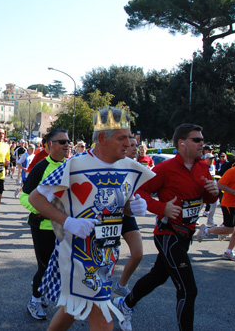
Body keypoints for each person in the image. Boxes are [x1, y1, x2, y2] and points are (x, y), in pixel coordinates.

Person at [29, 107, 153, 331]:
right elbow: (36, 198)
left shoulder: (129, 167)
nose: (129, 143)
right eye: (122, 137)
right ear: (103, 138)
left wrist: (131, 208)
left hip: (107, 255)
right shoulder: (74, 165)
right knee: (102, 317)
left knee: (71, 309)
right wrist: (68, 222)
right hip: (77, 256)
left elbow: (116, 207)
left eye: (130, 137)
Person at [115, 123, 219, 331]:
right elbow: (140, 191)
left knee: (158, 276)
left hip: (186, 234)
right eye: (197, 140)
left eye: (202, 139)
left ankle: (125, 304)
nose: (202, 144)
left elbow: (207, 197)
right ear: (182, 143)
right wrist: (162, 208)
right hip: (168, 234)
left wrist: (214, 192)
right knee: (188, 289)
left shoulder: (202, 168)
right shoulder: (165, 169)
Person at [19, 129, 69, 320]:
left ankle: (46, 293)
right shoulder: (40, 168)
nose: (67, 145)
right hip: (43, 226)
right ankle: (34, 300)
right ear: (49, 145)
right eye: (62, 141)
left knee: (62, 264)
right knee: (45, 266)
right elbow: (24, 197)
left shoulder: (70, 167)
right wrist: (41, 210)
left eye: (68, 141)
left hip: (64, 226)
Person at [197, 151, 235, 263]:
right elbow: (220, 184)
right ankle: (206, 230)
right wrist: (234, 192)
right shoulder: (232, 171)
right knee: (229, 229)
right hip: (229, 204)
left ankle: (229, 252)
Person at [113, 135, 145, 299]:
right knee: (106, 257)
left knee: (138, 253)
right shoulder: (113, 164)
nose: (134, 148)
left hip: (125, 215)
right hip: (108, 216)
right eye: (130, 145)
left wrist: (138, 205)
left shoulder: (136, 168)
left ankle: (121, 284)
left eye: (136, 145)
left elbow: (133, 198)